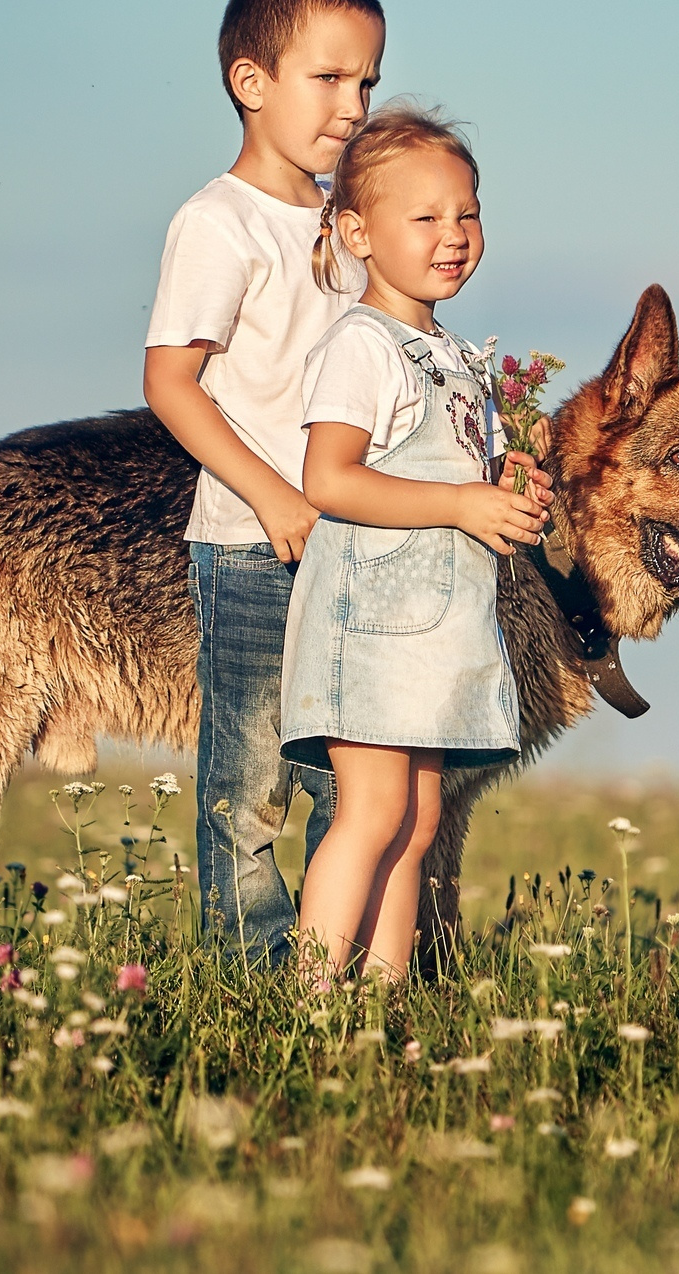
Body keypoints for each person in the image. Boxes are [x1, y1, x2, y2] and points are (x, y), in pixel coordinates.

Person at [141, 0, 382, 962]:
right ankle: (246, 976)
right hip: (252, 545)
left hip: (356, 548)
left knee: (351, 780)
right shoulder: (218, 223)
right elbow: (171, 382)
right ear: (252, 81)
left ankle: (325, 971)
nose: (353, 105)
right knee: (247, 787)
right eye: (329, 78)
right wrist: (275, 496)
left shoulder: (352, 226)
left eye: (367, 83)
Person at [278, 104, 549, 980]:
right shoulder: (363, 344)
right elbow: (330, 480)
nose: (454, 234)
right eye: (425, 217)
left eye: (467, 213)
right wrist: (463, 504)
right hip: (373, 627)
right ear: (356, 232)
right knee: (371, 812)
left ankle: (382, 997)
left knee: (419, 820)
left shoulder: (456, 355)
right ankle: (315, 995)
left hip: (440, 630)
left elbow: (463, 477)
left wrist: (511, 489)